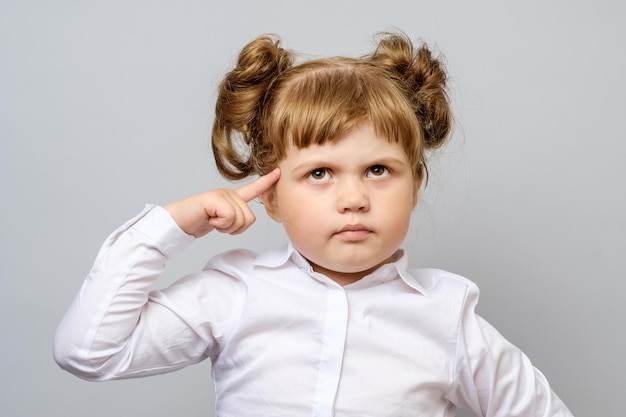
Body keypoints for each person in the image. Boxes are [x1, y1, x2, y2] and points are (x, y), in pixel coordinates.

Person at [53, 32, 574, 417]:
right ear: (273, 198)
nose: (353, 198)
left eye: (378, 170)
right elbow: (88, 353)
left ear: (415, 185)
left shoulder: (447, 318)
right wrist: (171, 226)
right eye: (319, 173)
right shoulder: (235, 293)